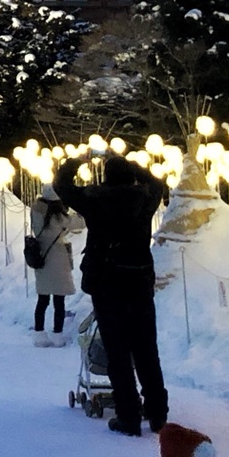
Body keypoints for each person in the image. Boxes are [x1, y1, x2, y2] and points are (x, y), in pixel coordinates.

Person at [57, 151, 170, 436]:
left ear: (105, 177)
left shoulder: (95, 200)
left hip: (107, 284)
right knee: (147, 351)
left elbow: (61, 185)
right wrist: (135, 165)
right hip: (139, 281)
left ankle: (128, 416)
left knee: (118, 353)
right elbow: (158, 184)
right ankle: (157, 414)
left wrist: (78, 161)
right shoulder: (145, 198)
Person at [29, 182, 82, 345]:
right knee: (59, 300)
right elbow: (78, 224)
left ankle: (39, 334)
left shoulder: (35, 211)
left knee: (42, 299)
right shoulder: (59, 216)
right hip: (58, 257)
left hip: (41, 256)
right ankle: (57, 335)